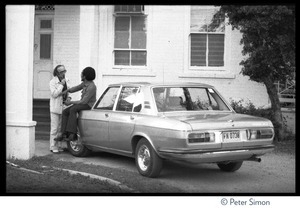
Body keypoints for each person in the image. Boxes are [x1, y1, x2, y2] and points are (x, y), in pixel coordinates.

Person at [54, 67, 97, 142]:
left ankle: (72, 134)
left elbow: (83, 101)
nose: (81, 75)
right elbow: (76, 88)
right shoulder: (85, 84)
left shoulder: (91, 87)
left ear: (85, 76)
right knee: (65, 112)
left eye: (82, 74)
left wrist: (70, 102)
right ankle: (63, 133)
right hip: (83, 104)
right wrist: (66, 91)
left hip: (88, 105)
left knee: (73, 109)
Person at [49, 65, 70, 153]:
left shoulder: (66, 80)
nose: (63, 73)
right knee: (55, 128)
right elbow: (54, 94)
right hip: (55, 107)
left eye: (64, 71)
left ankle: (60, 145)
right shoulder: (53, 82)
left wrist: (69, 98)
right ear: (57, 73)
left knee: (61, 128)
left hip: (64, 106)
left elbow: (68, 92)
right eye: (61, 72)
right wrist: (61, 85)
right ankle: (53, 146)